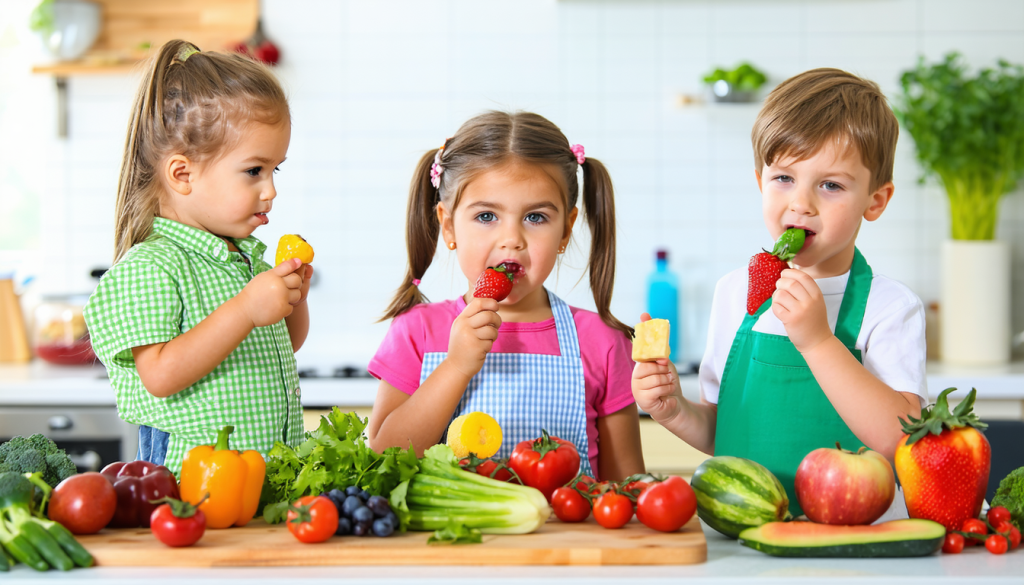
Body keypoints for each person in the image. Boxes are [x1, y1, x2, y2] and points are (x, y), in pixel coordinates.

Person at [633, 69, 927, 517]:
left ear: (876, 200)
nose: (801, 203)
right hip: (744, 538)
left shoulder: (890, 308)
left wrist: (818, 341)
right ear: (759, 182)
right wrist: (674, 411)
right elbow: (723, 431)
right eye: (784, 178)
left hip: (854, 536)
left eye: (831, 185)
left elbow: (900, 440)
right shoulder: (735, 293)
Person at [367, 111, 645, 481]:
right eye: (486, 216)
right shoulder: (416, 332)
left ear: (566, 230)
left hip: (565, 540)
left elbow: (625, 487)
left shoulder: (602, 343)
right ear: (448, 225)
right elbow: (382, 463)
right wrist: (455, 367)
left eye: (536, 218)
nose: (511, 238)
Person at [83, 40, 311, 476]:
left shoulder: (243, 258)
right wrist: (246, 309)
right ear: (182, 174)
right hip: (187, 485)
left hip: (259, 484)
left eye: (274, 170)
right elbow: (162, 376)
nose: (270, 190)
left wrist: (293, 298)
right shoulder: (150, 267)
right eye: (253, 171)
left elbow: (288, 343)